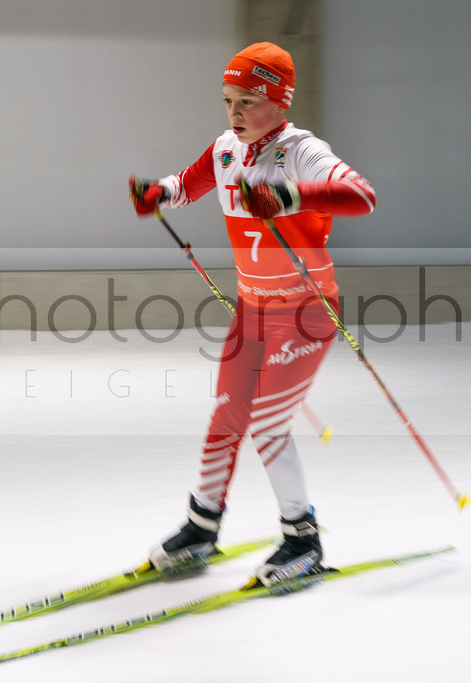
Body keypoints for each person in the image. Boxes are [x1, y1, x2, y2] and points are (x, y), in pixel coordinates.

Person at [129, 41, 376, 586]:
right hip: (254, 310)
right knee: (226, 416)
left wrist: (289, 197)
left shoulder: (301, 151)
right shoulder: (226, 149)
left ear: (279, 101)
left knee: (267, 423)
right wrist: (157, 193)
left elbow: (361, 196)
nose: (234, 113)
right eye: (228, 101)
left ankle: (302, 537)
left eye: (248, 101)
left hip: (306, 312)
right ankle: (201, 525)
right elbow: (187, 184)